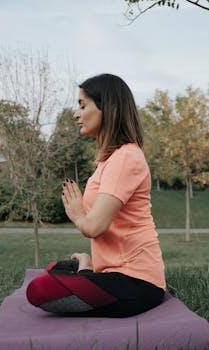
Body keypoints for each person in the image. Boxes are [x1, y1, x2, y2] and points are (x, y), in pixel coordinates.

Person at [26, 73, 166, 317]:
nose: (75, 114)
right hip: (112, 274)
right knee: (54, 269)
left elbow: (95, 227)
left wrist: (78, 214)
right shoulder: (110, 160)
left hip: (138, 282)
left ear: (107, 108)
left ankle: (85, 270)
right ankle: (87, 268)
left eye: (82, 105)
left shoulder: (126, 158)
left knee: (40, 289)